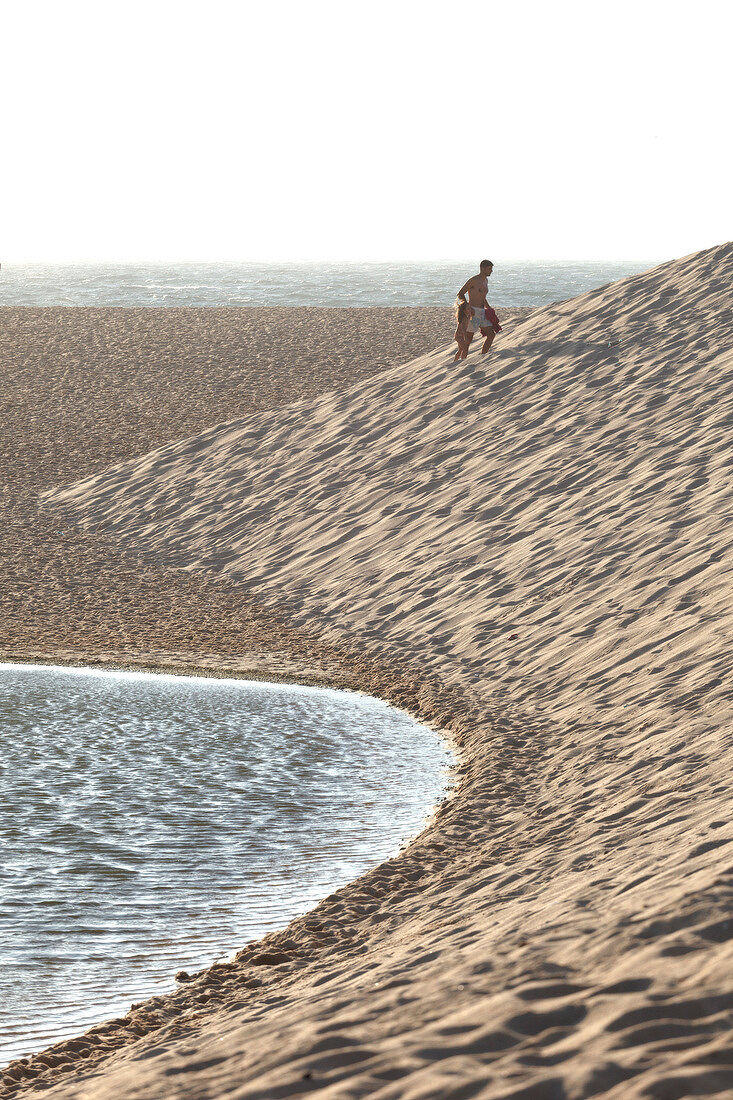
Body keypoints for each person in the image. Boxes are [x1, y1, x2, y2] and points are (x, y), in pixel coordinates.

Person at [457, 259, 502, 354]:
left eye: (491, 268)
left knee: (491, 335)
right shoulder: (474, 280)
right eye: (489, 269)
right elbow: (460, 293)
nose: (491, 271)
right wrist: (467, 306)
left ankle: (483, 357)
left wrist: (489, 308)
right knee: (468, 341)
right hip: (473, 313)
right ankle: (461, 363)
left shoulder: (485, 280)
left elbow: (483, 297)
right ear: (482, 268)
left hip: (482, 313)